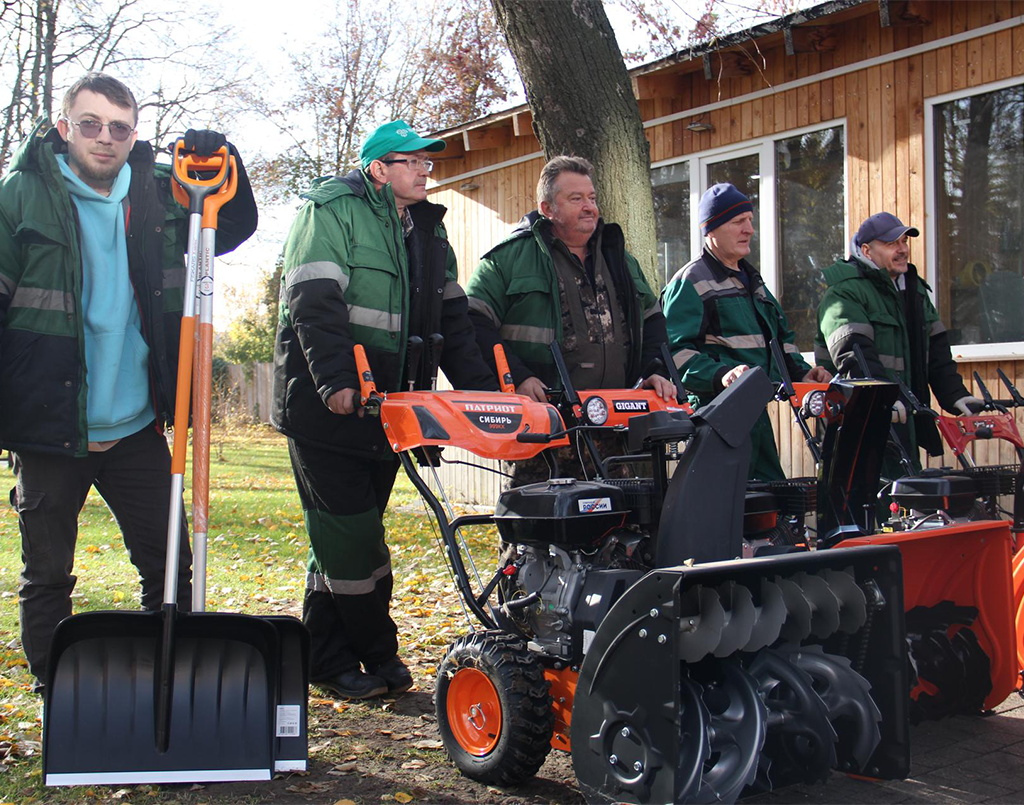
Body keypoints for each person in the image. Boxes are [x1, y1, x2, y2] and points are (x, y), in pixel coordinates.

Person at [0, 72, 258, 693]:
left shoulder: (157, 192)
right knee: (47, 576)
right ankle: (55, 695)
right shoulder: (19, 196)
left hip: (137, 422)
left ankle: (168, 676)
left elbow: (232, 223)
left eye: (119, 127)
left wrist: (228, 159)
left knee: (169, 563)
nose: (105, 138)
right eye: (90, 125)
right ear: (65, 129)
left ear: (133, 133)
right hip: (51, 425)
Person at [272, 120, 498, 700]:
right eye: (412, 160)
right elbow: (313, 300)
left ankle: (327, 658)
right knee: (352, 538)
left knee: (346, 538)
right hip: (330, 409)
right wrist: (336, 383)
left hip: (391, 413)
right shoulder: (330, 211)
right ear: (378, 168)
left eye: (427, 161)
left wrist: (486, 396)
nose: (426, 169)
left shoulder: (428, 231)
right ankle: (376, 650)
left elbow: (454, 322)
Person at [465, 155, 674, 484]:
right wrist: (518, 376)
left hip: (614, 426)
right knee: (537, 526)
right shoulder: (508, 259)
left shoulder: (619, 259)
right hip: (543, 426)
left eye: (591, 198)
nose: (589, 207)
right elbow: (472, 322)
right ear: (548, 209)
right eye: (576, 199)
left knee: (617, 526)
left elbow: (652, 320)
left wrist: (654, 371)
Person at [662, 183, 831, 481]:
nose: (749, 229)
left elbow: (781, 342)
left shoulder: (754, 282)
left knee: (769, 503)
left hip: (757, 416)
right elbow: (675, 353)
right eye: (738, 222)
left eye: (750, 221)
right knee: (724, 507)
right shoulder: (691, 281)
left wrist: (802, 374)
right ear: (710, 229)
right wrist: (721, 376)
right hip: (715, 417)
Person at [815, 212, 981, 475]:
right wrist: (880, 400)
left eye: (904, 241)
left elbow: (936, 353)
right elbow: (852, 352)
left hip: (903, 421)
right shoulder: (844, 292)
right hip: (859, 422)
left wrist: (956, 397)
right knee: (862, 505)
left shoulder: (914, 293)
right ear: (867, 250)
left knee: (904, 501)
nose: (902, 249)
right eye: (892, 243)